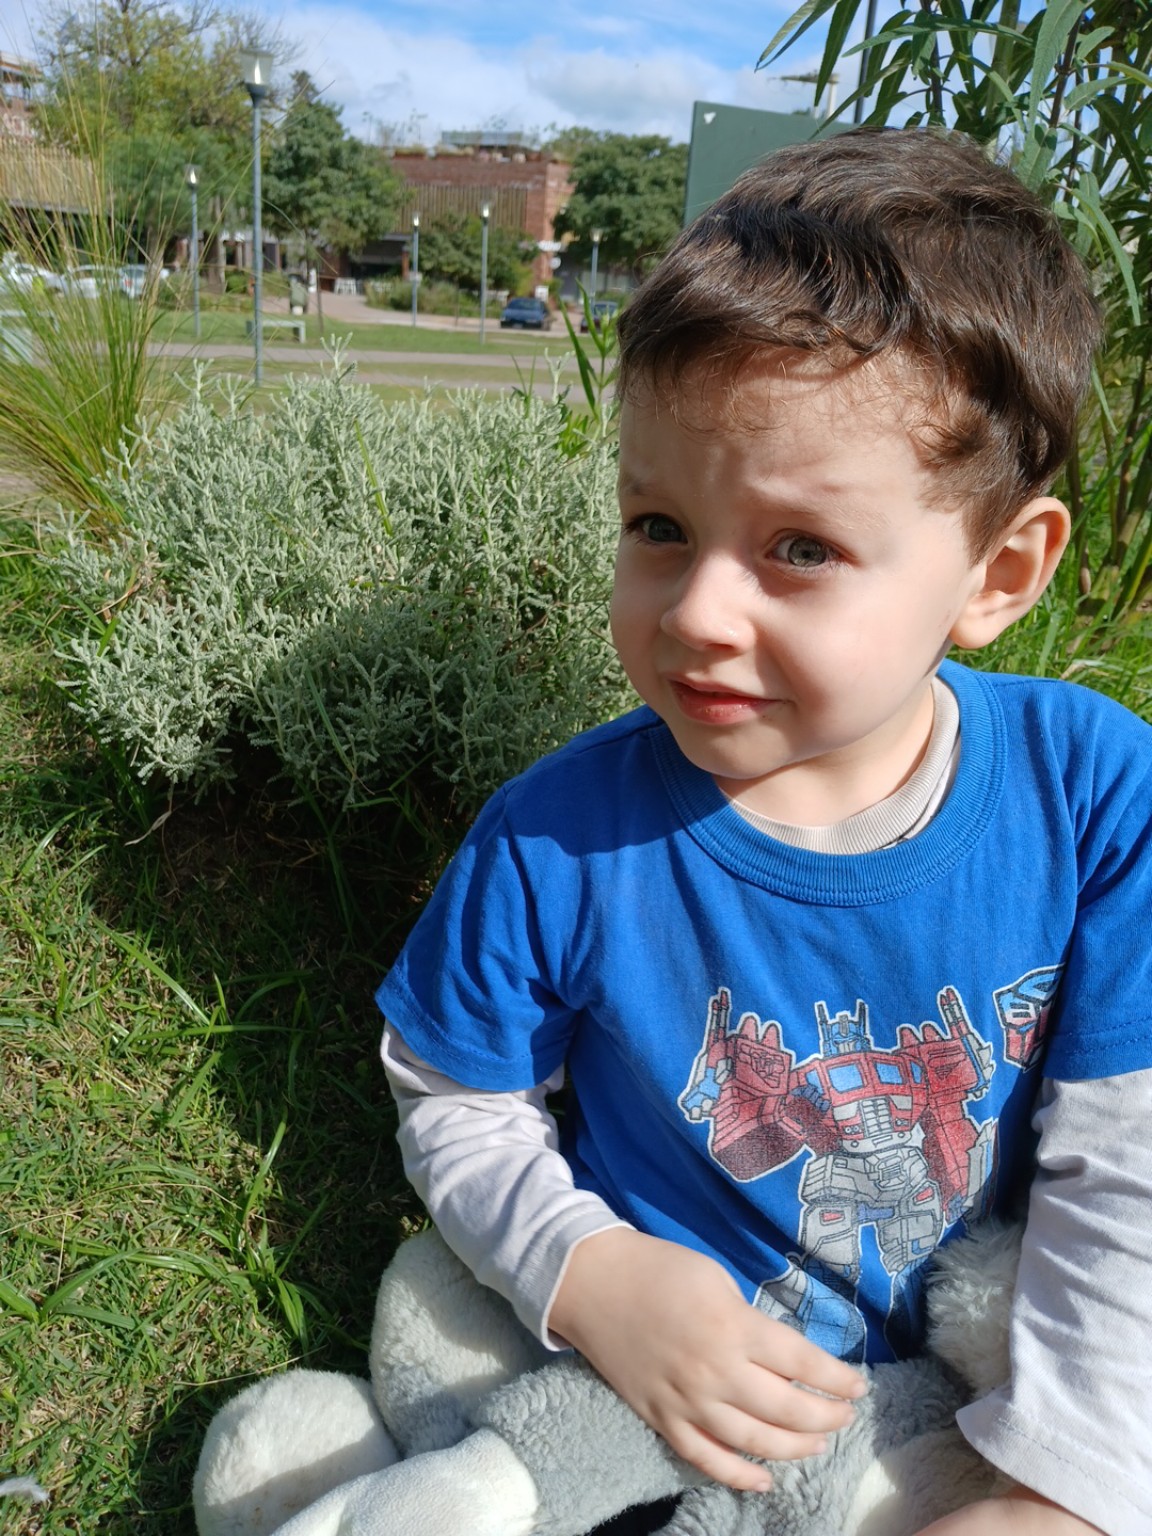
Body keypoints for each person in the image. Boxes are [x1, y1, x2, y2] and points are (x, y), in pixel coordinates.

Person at [373, 127, 1152, 1536]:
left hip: (966, 1382)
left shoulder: (1093, 796)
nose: (697, 612)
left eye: (800, 549)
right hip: (666, 1383)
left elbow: (1131, 1165)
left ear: (999, 572)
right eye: (659, 524)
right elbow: (453, 1091)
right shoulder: (555, 838)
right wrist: (589, 1275)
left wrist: (1071, 1494)